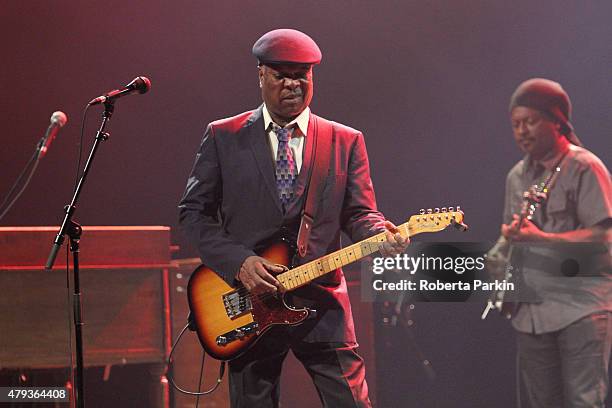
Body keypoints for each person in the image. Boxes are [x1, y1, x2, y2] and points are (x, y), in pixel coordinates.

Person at [178, 28, 408, 408]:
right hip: (250, 304)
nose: (292, 84)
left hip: (323, 303)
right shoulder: (224, 136)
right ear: (261, 75)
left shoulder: (345, 140)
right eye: (281, 74)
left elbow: (360, 212)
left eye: (301, 74)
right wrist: (240, 263)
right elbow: (193, 213)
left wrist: (379, 233)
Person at [487, 78, 612, 407]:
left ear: (557, 122)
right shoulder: (516, 176)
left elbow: (604, 240)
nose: (522, 131)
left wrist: (543, 240)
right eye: (516, 124)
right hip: (531, 314)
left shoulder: (584, 166)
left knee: (584, 402)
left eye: (530, 121)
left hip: (580, 310)